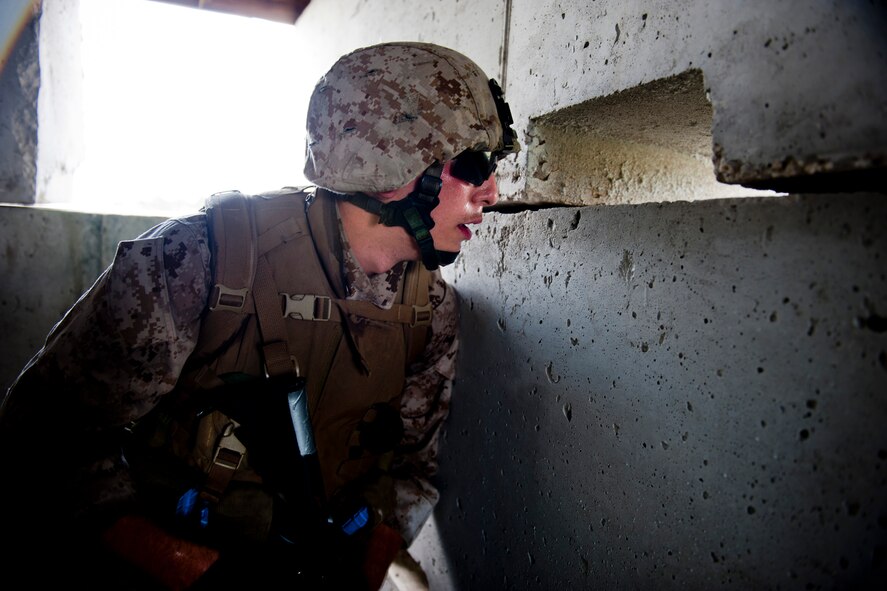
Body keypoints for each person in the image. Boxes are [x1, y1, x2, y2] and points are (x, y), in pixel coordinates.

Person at [0, 41, 518, 589]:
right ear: (392, 159)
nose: (492, 191)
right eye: (472, 166)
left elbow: (410, 474)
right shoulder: (199, 261)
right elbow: (44, 440)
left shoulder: (430, 313)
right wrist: (201, 573)